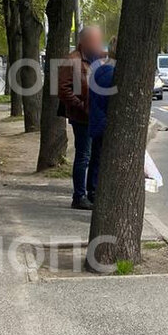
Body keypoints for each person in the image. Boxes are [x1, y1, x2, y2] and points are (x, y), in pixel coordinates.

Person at [59, 26, 104, 210]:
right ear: (84, 41)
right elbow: (62, 89)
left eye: (99, 40)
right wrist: (81, 107)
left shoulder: (99, 58)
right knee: (83, 156)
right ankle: (79, 196)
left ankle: (92, 191)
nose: (98, 43)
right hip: (82, 117)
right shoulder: (72, 61)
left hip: (95, 116)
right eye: (94, 40)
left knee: (96, 155)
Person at [88, 37, 117, 200]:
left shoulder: (103, 69)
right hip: (103, 122)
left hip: (99, 120)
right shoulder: (110, 72)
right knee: (99, 159)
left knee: (97, 157)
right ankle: (94, 192)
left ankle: (93, 190)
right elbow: (107, 101)